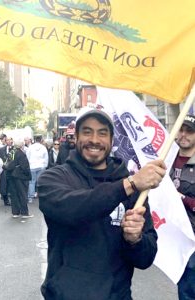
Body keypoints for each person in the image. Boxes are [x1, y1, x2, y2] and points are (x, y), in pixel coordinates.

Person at [38, 108, 166, 300]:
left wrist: (135, 240)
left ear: (112, 139)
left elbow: (146, 259)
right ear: (76, 137)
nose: (95, 140)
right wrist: (129, 185)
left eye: (102, 133)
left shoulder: (134, 190)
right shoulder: (54, 178)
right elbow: (76, 209)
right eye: (87, 131)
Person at [169, 114, 195, 300]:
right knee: (184, 287)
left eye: (189, 131)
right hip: (174, 235)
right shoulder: (167, 159)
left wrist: (181, 198)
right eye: (181, 129)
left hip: (193, 236)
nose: (184, 135)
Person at [4, 138, 33, 219]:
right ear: (22, 146)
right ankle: (24, 213)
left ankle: (15, 212)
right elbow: (25, 167)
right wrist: (28, 175)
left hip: (11, 176)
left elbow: (7, 164)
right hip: (20, 177)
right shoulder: (21, 154)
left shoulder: (11, 152)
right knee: (22, 194)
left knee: (14, 195)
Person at [26, 135, 48, 202]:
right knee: (40, 181)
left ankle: (30, 197)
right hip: (41, 166)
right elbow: (46, 157)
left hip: (32, 166)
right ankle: (40, 195)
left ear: (35, 140)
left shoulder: (30, 147)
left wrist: (28, 165)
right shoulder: (43, 147)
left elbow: (27, 156)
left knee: (31, 182)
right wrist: (45, 165)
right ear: (41, 140)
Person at [0, 137, 14, 206]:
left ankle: (12, 198)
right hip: (4, 170)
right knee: (4, 185)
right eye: (6, 140)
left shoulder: (15, 149)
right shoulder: (2, 149)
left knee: (12, 185)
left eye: (9, 140)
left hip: (12, 170)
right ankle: (5, 199)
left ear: (12, 141)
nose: (8, 141)